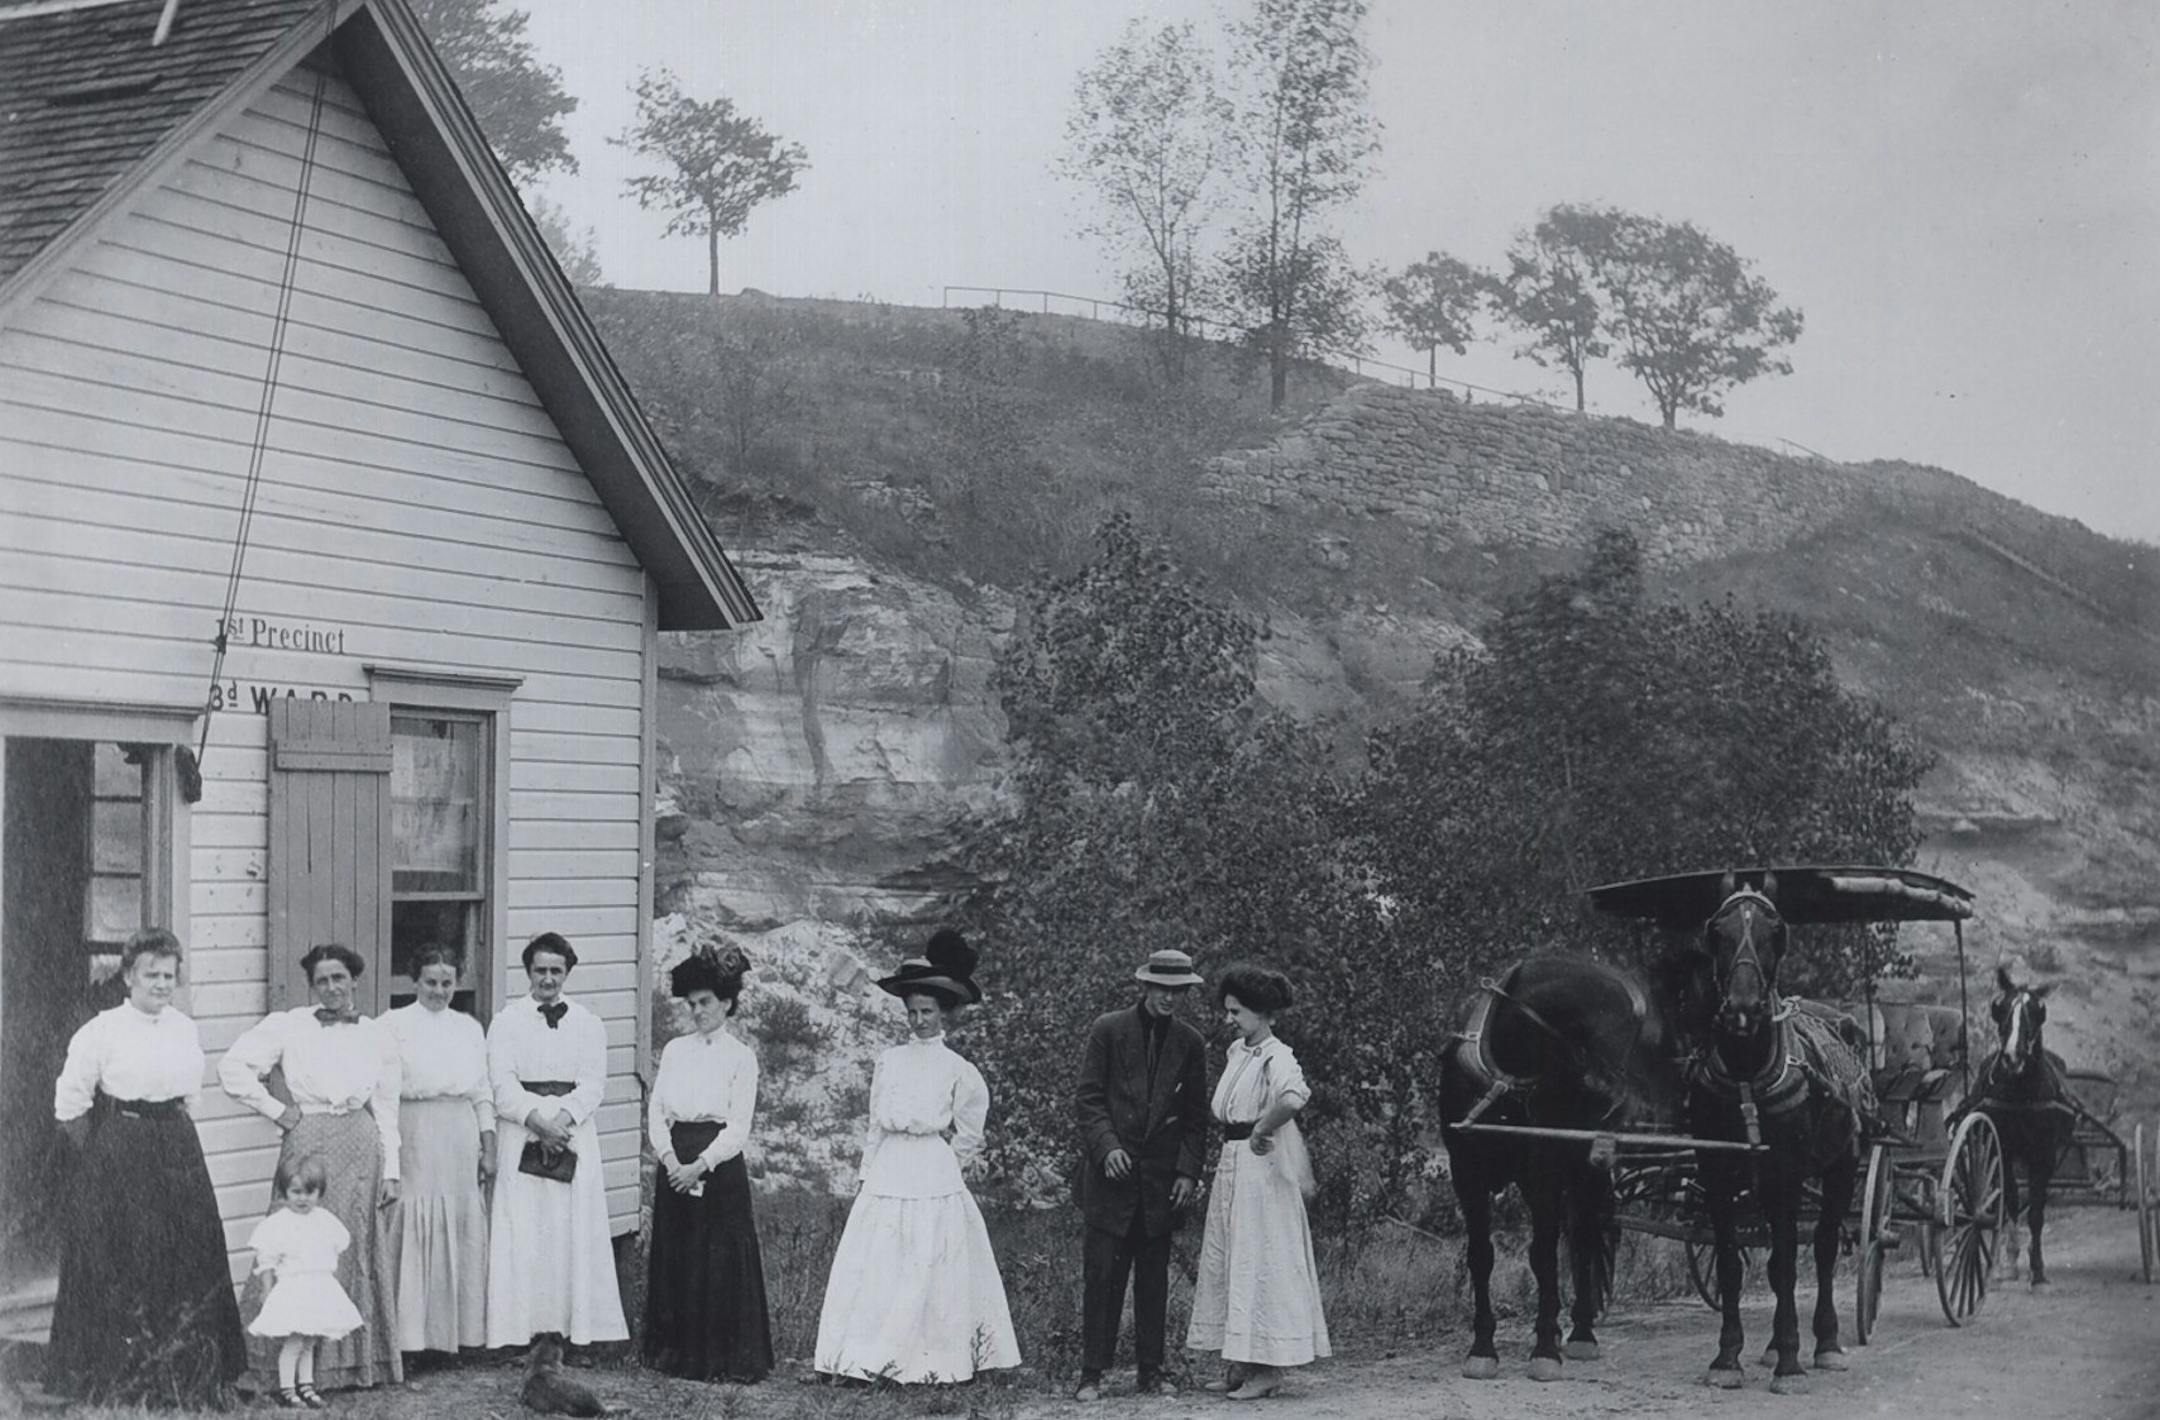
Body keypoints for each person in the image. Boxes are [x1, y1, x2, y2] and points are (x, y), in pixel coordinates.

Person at [46, 927, 248, 1406]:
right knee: (122, 1257)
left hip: (176, 1144)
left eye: (168, 975)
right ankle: (117, 1377)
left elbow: (190, 1095)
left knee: (189, 1252)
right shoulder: (101, 1031)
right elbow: (70, 1104)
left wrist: (169, 1136)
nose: (160, 984)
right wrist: (103, 1156)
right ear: (128, 976)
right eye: (150, 974)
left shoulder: (183, 1027)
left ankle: (189, 1375)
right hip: (121, 1146)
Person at [813, 929, 1020, 1384]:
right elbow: (873, 1124)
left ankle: (933, 1363)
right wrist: (867, 1174)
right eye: (912, 1013)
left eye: (927, 1012)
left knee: (930, 1267)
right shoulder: (889, 1060)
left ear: (944, 1014)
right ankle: (863, 1360)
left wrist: (947, 1164)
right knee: (880, 1264)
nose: (919, 1021)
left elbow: (970, 1130)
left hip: (932, 1170)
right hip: (889, 1168)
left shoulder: (959, 1070)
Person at [220, 943, 403, 1391]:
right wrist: (276, 1110)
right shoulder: (289, 1026)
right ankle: (274, 1368)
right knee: (294, 1242)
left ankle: (351, 1366)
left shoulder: (377, 1034)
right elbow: (233, 1068)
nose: (331, 987)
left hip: (361, 1145)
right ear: (312, 985)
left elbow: (388, 1108)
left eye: (339, 978)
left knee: (352, 1245)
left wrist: (393, 1169)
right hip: (308, 1140)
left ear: (354, 980)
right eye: (322, 980)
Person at [1186, 963, 1329, 1401]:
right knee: (1231, 1257)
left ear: (1263, 1014)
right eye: (1229, 1011)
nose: (1230, 1019)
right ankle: (1241, 1362)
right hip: (1232, 1164)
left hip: (1260, 1169)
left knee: (1261, 1260)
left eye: (1238, 1012)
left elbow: (1293, 1097)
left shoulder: (1276, 1055)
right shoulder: (1238, 1051)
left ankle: (1267, 1370)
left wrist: (1264, 1130)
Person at [1072, 948, 1209, 1402]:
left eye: (1179, 991)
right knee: (1102, 1279)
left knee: (1154, 1281)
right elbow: (1088, 1099)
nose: (1170, 999)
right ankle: (1091, 1374)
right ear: (1146, 986)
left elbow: (1194, 1119)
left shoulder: (1190, 1043)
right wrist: (1106, 1146)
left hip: (1159, 1184)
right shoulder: (1107, 1030)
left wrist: (1188, 1173)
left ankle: (1151, 1371)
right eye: (1163, 989)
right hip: (1110, 1183)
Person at [485, 932, 629, 1352]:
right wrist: (538, 1123)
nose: (547, 979)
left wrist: (560, 1122)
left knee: (570, 1231)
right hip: (522, 1130)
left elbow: (593, 1083)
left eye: (556, 971)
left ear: (567, 972)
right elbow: (501, 1082)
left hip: (572, 1133)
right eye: (540, 970)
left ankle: (574, 1332)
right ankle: (519, 1333)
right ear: (527, 971)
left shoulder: (588, 1023)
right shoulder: (506, 1021)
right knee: (525, 1231)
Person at [642, 944, 774, 1383]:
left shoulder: (742, 1057)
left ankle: (720, 1359)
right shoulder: (676, 1050)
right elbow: (657, 1111)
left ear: (727, 1003)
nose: (696, 1011)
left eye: (705, 1003)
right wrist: (669, 1159)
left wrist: (699, 1165)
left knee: (717, 1259)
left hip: (717, 1166)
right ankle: (674, 1354)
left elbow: (738, 1128)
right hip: (674, 1160)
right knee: (679, 1254)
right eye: (692, 1003)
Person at [385, 948, 495, 1358]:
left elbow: (482, 1091)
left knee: (459, 1225)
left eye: (447, 982)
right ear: (415, 981)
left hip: (458, 1132)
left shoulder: (469, 1028)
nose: (439, 991)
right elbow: (384, 1095)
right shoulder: (393, 1025)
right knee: (415, 1219)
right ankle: (411, 1340)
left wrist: (489, 1146)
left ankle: (459, 1337)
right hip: (414, 1130)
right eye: (431, 982)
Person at [248, 1154, 365, 1410]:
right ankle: (287, 1389)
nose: (302, 1198)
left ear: (319, 1193)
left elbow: (332, 1252)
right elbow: (266, 1260)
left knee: (310, 1340)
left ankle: (307, 1386)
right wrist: (267, 1290)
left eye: (309, 1192)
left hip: (319, 1287)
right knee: (295, 1342)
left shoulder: (324, 1220)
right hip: (293, 1289)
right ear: (285, 1192)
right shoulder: (278, 1224)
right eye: (296, 1192)